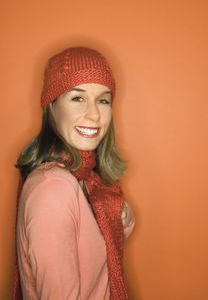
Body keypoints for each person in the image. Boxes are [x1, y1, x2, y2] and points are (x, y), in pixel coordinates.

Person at [13, 47, 135, 300]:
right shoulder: (53, 189)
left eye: (103, 100)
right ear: (52, 106)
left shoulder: (86, 179)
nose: (94, 114)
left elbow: (94, 261)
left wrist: (121, 215)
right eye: (77, 98)